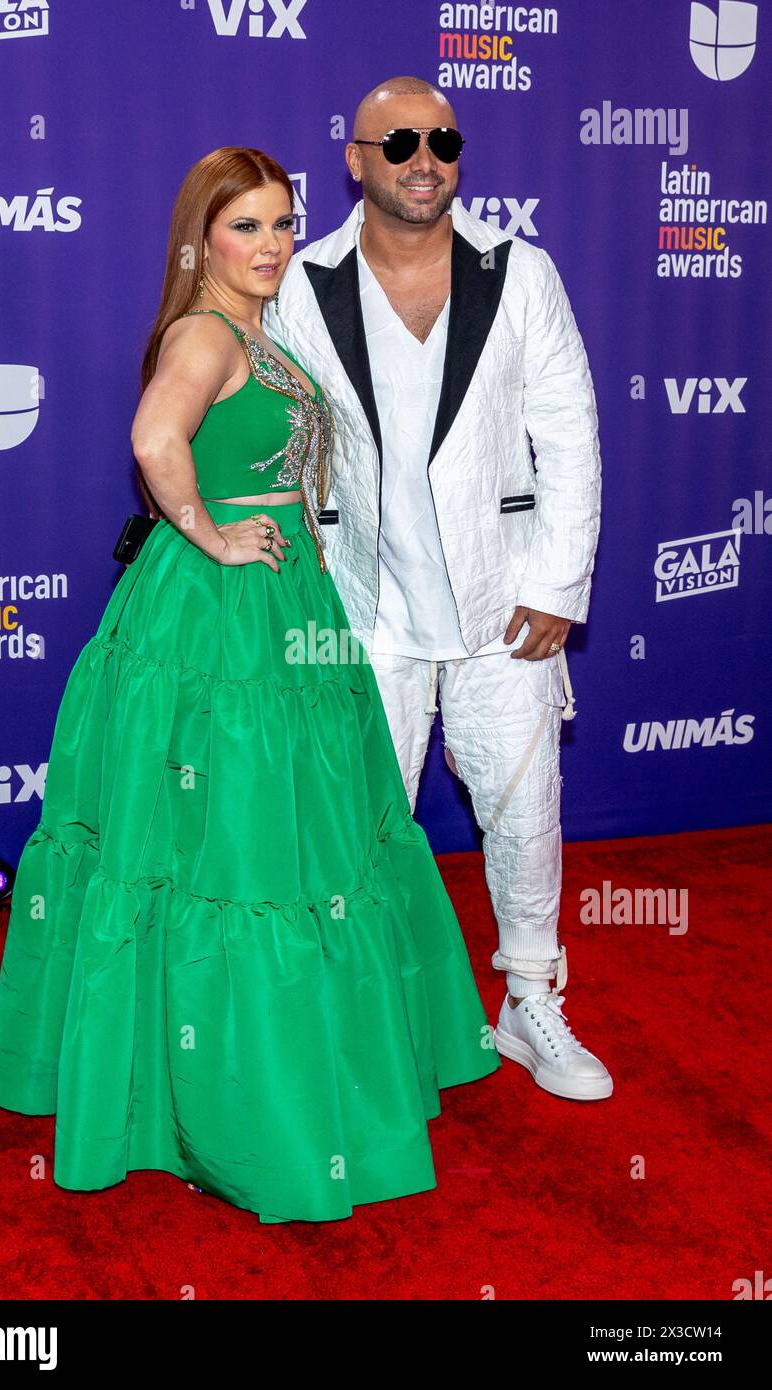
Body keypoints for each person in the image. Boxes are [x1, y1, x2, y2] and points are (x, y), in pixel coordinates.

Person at [0, 146, 501, 1225]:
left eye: (280, 224)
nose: (269, 247)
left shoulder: (255, 328)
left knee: (276, 836)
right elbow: (154, 438)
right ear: (198, 240)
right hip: (217, 620)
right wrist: (210, 534)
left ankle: (264, 1076)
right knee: (232, 845)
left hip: (283, 608)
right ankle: (234, 1103)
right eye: (245, 228)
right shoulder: (205, 334)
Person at [263, 77, 612, 1102]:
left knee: (522, 806)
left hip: (506, 603)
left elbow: (571, 435)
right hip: (362, 607)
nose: (425, 158)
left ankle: (529, 998)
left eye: (443, 139)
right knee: (356, 815)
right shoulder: (303, 280)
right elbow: (280, 444)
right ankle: (356, 1017)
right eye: (401, 140)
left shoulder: (518, 272)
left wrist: (556, 580)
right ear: (355, 159)